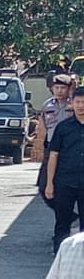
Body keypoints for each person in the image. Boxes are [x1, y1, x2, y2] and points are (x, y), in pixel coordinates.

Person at [46, 86, 84, 253]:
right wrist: (49, 183)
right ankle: (59, 257)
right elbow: (53, 155)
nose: (81, 106)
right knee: (62, 223)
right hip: (65, 182)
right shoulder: (63, 127)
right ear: (72, 103)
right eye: (78, 102)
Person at [37, 74, 75, 208]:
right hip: (52, 147)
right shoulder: (47, 105)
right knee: (43, 185)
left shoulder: (75, 104)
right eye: (56, 87)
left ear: (68, 89)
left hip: (70, 147)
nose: (59, 91)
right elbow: (44, 126)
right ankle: (69, 215)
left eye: (63, 88)